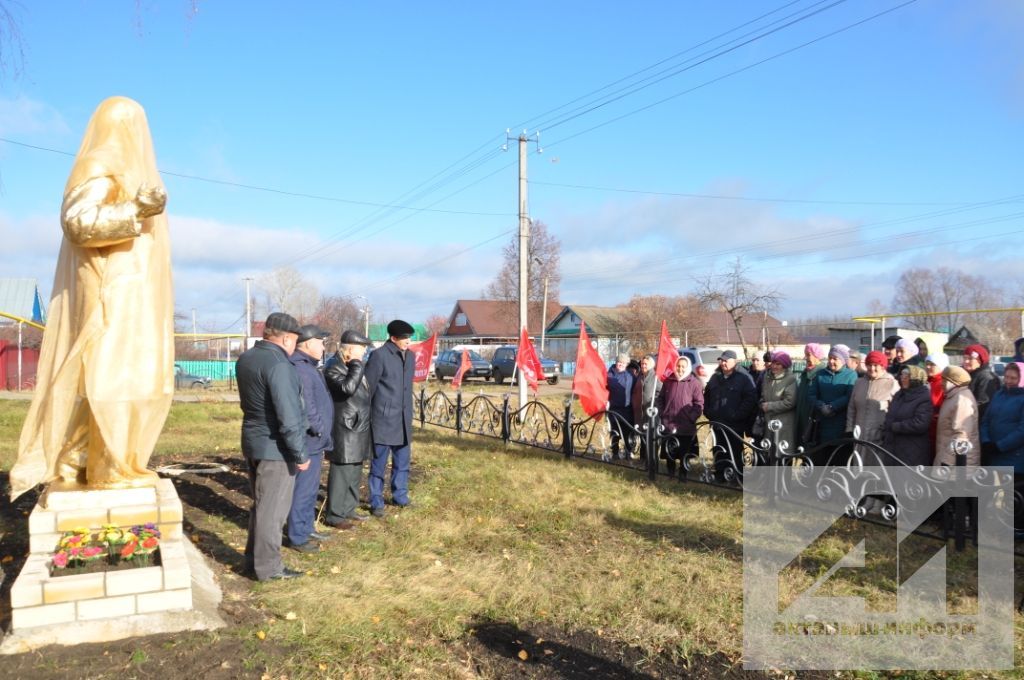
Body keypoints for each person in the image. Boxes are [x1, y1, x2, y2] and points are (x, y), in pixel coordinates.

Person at [11, 96, 174, 500]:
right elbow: (78, 222)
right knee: (113, 377)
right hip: (110, 293)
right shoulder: (100, 162)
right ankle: (108, 468)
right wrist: (135, 208)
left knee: (128, 376)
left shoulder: (131, 169)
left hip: (132, 293)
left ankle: (78, 459)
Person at [236, 312, 310, 581]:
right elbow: (288, 414)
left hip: (254, 441)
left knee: (261, 505)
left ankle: (251, 560)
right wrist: (300, 452)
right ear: (287, 338)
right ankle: (268, 568)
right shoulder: (279, 364)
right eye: (295, 340)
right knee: (273, 510)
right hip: (276, 448)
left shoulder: (247, 358)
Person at [285, 325, 334, 553]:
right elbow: (308, 407)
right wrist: (321, 429)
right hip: (309, 439)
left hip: (315, 440)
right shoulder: (302, 368)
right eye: (320, 341)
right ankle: (297, 536)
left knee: (310, 487)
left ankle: (305, 528)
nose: (323, 346)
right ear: (307, 343)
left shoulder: (308, 366)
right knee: (303, 489)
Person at [365, 319, 417, 517]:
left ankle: (400, 496)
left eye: (409, 338)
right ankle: (376, 501)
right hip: (383, 420)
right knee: (379, 464)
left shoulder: (410, 357)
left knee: (402, 463)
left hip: (403, 419)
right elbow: (369, 387)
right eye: (404, 338)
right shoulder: (379, 356)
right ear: (393, 338)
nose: (408, 341)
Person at [323, 330, 375, 527]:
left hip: (358, 424)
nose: (363, 355)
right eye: (361, 351)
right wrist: (355, 364)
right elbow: (347, 389)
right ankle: (335, 515)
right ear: (349, 350)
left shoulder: (352, 365)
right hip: (345, 427)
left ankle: (348, 508)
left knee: (354, 469)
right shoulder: (333, 367)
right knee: (342, 471)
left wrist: (355, 364)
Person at [703, 349, 758, 481]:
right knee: (718, 449)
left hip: (735, 423)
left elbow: (750, 399)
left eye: (726, 360)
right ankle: (720, 474)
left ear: (734, 361)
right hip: (717, 421)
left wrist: (738, 415)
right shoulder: (715, 376)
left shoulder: (743, 377)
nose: (723, 363)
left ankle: (737, 476)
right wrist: (709, 412)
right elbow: (707, 395)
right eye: (721, 360)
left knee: (734, 450)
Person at [656, 355, 703, 479]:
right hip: (669, 423)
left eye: (683, 366)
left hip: (686, 425)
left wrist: (691, 417)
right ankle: (670, 473)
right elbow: (660, 399)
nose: (680, 369)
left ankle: (683, 475)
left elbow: (699, 404)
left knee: (684, 452)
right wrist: (662, 413)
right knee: (669, 450)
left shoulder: (694, 383)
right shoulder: (668, 381)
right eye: (678, 366)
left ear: (687, 368)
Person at [846, 351, 898, 461]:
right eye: (869, 365)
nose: (872, 368)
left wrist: (887, 430)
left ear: (883, 366)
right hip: (859, 434)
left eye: (876, 365)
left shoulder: (892, 383)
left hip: (879, 436)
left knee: (876, 467)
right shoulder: (859, 383)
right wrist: (850, 428)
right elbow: (851, 408)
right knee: (858, 466)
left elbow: (897, 411)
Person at [808, 346, 857, 455]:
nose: (831, 361)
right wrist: (821, 406)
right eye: (830, 358)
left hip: (841, 424)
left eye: (835, 358)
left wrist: (832, 406)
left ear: (843, 360)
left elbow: (849, 396)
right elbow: (811, 395)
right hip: (821, 425)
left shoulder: (851, 375)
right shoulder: (820, 374)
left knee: (839, 457)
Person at [882, 365, 933, 468]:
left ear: (915, 379)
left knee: (908, 480)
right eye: (902, 375)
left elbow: (920, 423)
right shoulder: (899, 394)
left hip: (912, 448)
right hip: (893, 445)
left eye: (907, 376)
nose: (903, 378)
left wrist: (896, 426)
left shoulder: (924, 397)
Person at [980, 361, 1024, 472]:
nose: (1008, 381)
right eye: (1006, 377)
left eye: (1013, 378)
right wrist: (985, 441)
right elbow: (986, 420)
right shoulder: (999, 394)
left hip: (1014, 457)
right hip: (993, 453)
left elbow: (1022, 431)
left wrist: (1000, 446)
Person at [934, 366, 980, 466]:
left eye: (945, 380)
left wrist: (947, 462)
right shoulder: (952, 396)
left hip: (955, 464)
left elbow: (961, 434)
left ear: (954, 382)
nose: (941, 383)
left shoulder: (962, 399)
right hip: (948, 457)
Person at [759, 351, 798, 451]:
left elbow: (790, 402)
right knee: (770, 455)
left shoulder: (791, 379)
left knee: (782, 455)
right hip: (769, 422)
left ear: (784, 366)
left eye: (778, 364)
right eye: (773, 363)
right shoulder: (767, 378)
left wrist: (769, 406)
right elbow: (763, 396)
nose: (774, 366)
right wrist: (761, 403)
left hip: (783, 424)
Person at [795, 343, 826, 449]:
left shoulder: (821, 373)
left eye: (808, 355)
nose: (806, 358)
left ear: (817, 356)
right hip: (801, 416)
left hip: (812, 419)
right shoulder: (805, 373)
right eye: (805, 355)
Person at [631, 354, 661, 463]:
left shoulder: (655, 377)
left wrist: (655, 403)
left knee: (650, 436)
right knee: (643, 434)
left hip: (651, 411)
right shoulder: (640, 376)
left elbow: (661, 392)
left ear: (651, 365)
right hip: (640, 411)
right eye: (642, 363)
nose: (643, 366)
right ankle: (643, 458)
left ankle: (651, 460)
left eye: (645, 364)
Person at [606, 353, 635, 459]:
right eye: (619, 362)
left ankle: (628, 452)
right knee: (615, 432)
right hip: (614, 408)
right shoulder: (609, 374)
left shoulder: (630, 376)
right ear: (616, 362)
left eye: (623, 362)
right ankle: (615, 452)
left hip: (627, 409)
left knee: (627, 432)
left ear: (626, 364)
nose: (620, 364)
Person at [963, 344, 999, 422]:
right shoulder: (965, 374)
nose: (966, 361)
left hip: (976, 422)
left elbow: (983, 404)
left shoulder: (986, 377)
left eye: (970, 358)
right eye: (965, 358)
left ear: (980, 360)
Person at [924, 353, 950, 449]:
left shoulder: (943, 384)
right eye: (926, 364)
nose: (928, 367)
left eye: (932, 364)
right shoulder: (927, 381)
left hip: (936, 430)